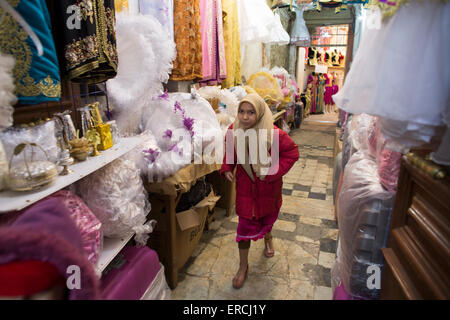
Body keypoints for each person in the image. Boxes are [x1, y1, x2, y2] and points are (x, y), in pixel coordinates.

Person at [220, 93, 299, 289]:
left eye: (251, 112)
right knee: (244, 228)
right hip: (246, 190)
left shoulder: (274, 135)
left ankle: (268, 239)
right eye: (241, 112)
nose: (245, 117)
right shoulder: (233, 130)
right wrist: (227, 168)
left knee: (266, 218)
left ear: (261, 113)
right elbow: (230, 153)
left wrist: (273, 172)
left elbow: (292, 153)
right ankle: (243, 266)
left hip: (268, 190)